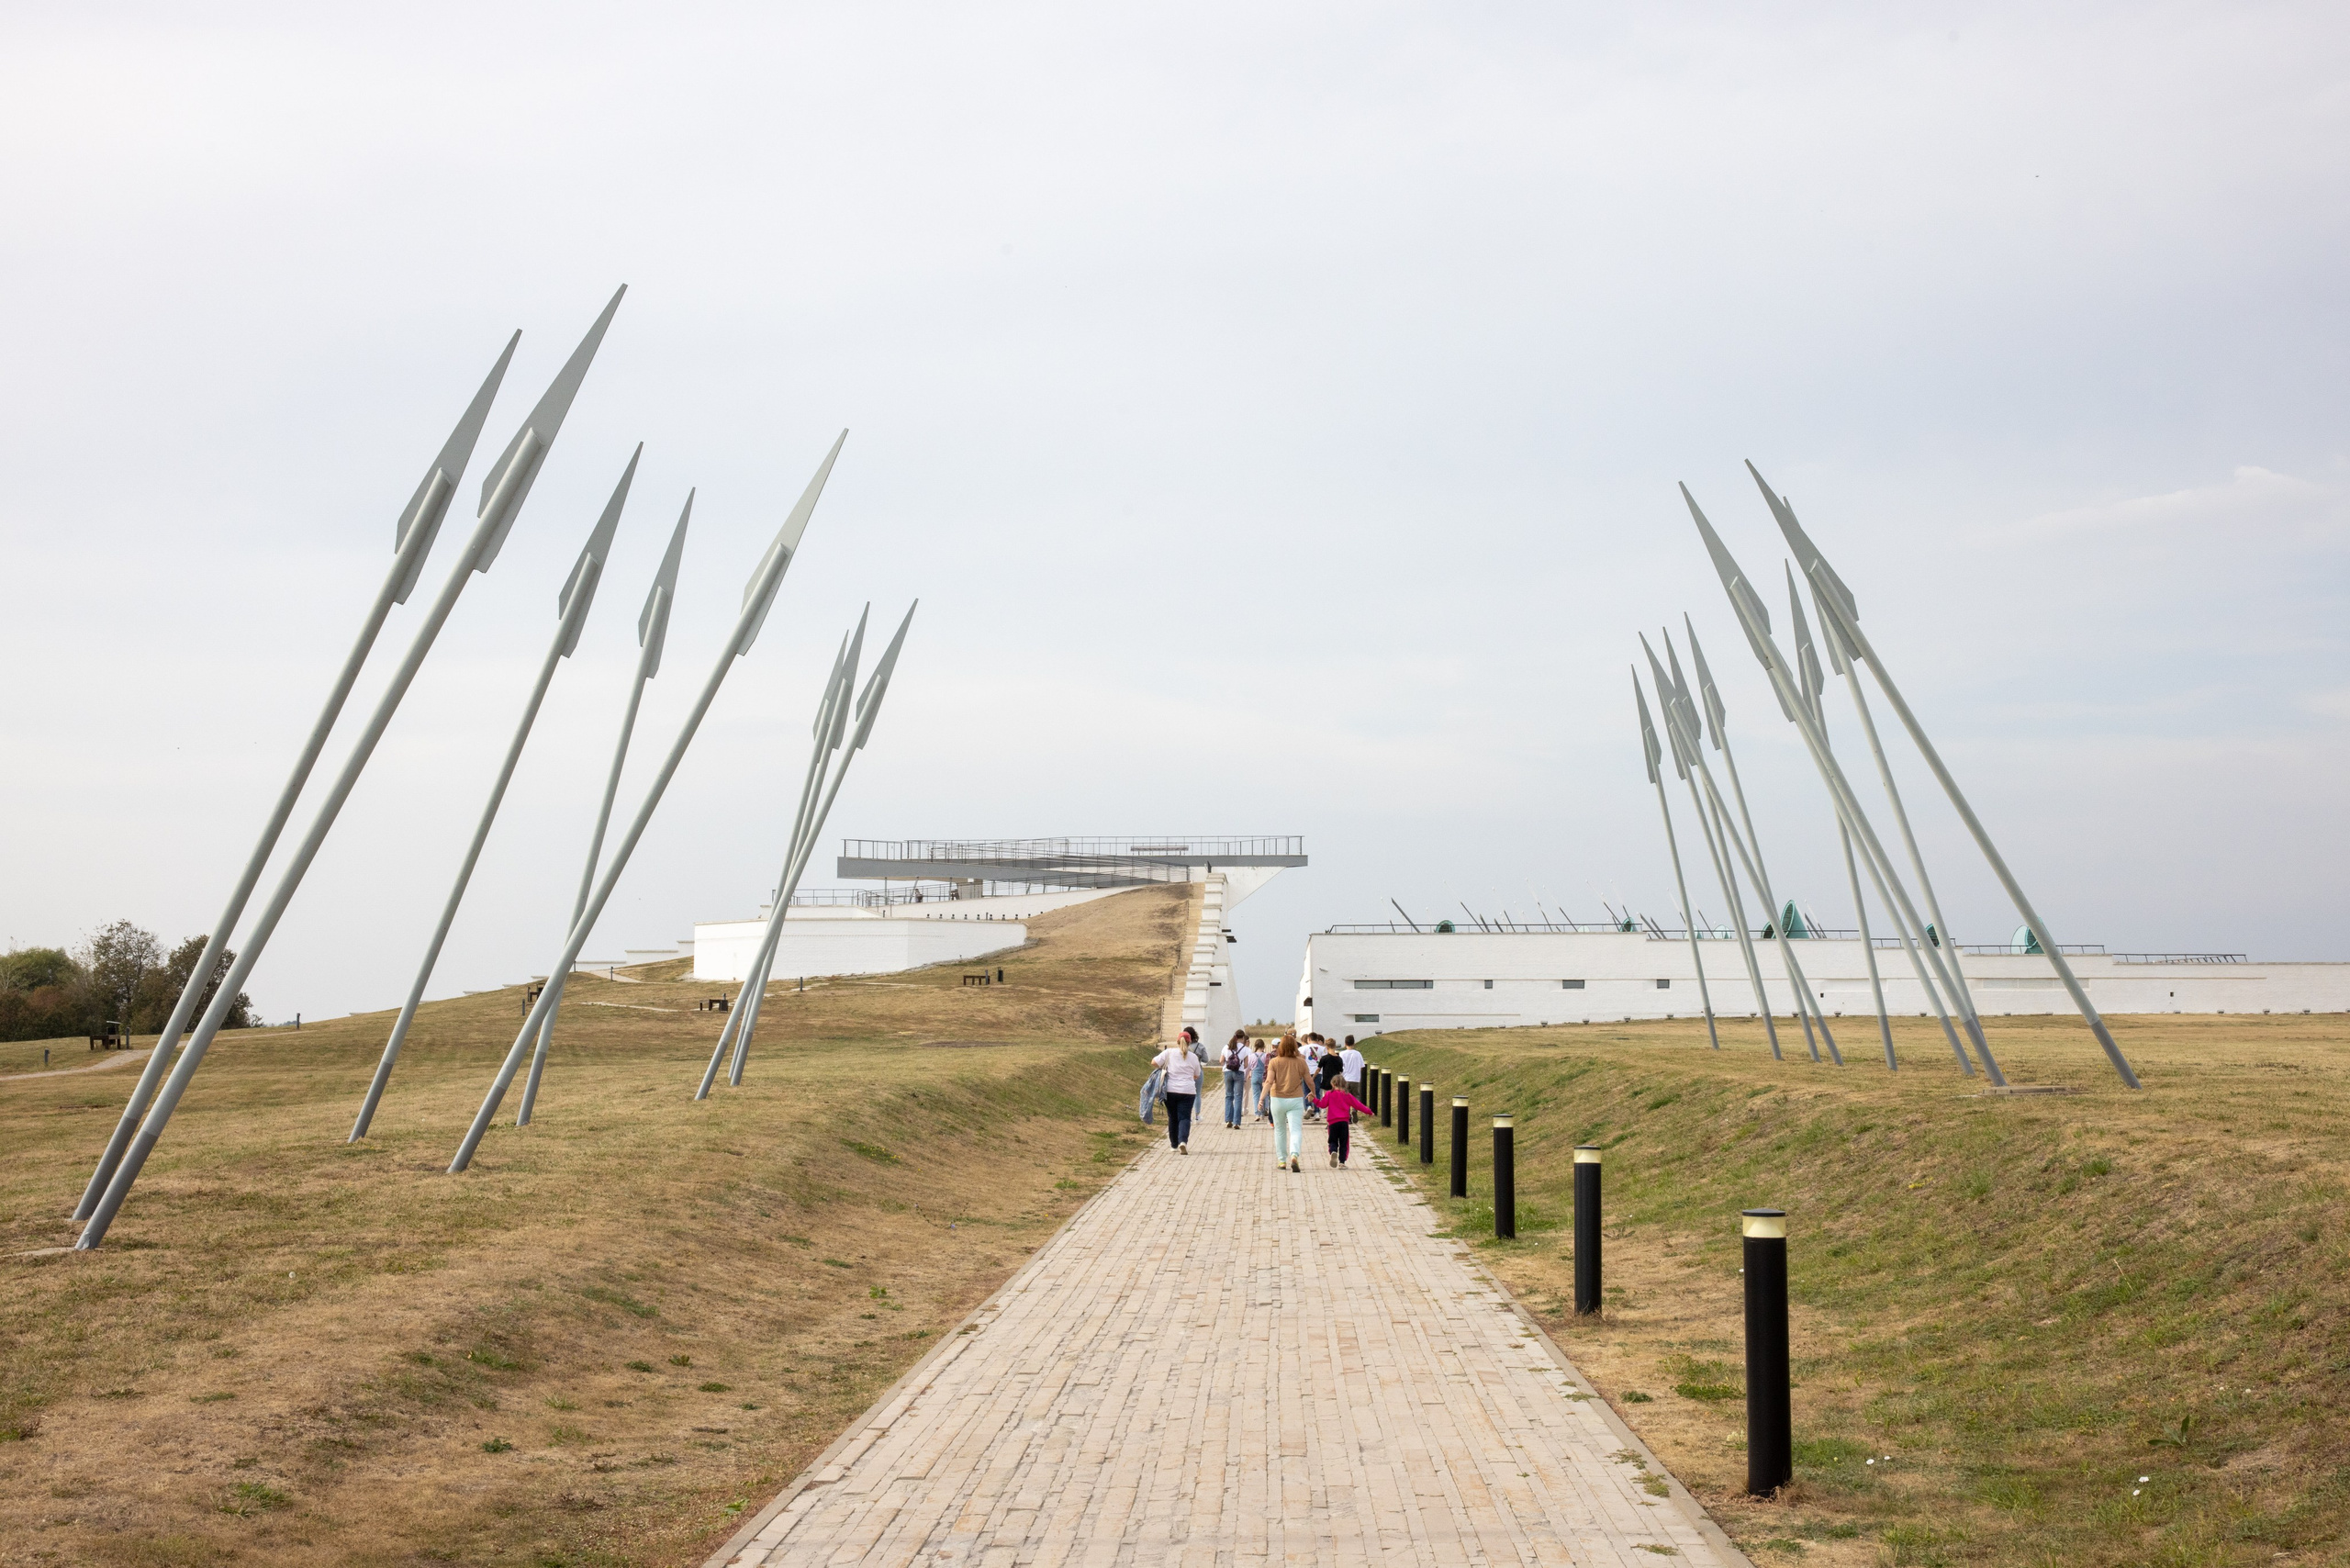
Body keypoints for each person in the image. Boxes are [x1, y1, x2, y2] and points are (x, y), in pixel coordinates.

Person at [1264, 1036, 1310, 1173]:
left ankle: (1282, 1160)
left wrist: (1261, 1098)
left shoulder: (1274, 1062)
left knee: (1280, 1130)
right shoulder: (1301, 1062)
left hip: (1277, 1098)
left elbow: (1269, 1081)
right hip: (1295, 1099)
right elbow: (1310, 1081)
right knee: (1295, 1129)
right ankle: (1294, 1154)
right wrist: (1313, 1092)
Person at [1152, 1034, 1204, 1153]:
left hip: (1170, 1090)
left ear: (1177, 1042)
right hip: (1188, 1091)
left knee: (1173, 1117)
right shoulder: (1193, 1057)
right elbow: (1197, 1074)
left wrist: (1163, 1068)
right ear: (1189, 1043)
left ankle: (1174, 1144)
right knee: (1185, 1117)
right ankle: (1183, 1141)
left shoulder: (1169, 1053)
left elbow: (1154, 1062)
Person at [1314, 1076, 1373, 1167]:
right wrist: (1369, 1112)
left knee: (1332, 1140)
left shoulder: (1329, 1094)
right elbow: (1358, 1105)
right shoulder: (1347, 1095)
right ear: (1345, 1084)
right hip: (1344, 1122)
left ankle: (1333, 1151)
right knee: (1344, 1142)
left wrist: (1314, 1100)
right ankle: (1342, 1162)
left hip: (1332, 1122)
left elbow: (1322, 1104)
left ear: (1333, 1084)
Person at [1221, 1029, 1249, 1128]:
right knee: (1238, 1097)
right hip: (1239, 1073)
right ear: (1243, 1038)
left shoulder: (1226, 1046)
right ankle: (1237, 1122)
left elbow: (1221, 1061)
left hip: (1227, 1072)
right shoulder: (1245, 1049)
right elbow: (1246, 1065)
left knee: (1229, 1096)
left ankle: (1228, 1119)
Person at [1251, 1038, 1271, 1121]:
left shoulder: (1251, 1056)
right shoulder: (1266, 1055)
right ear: (1263, 1046)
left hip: (1255, 1076)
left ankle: (1257, 1114)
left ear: (1255, 1046)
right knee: (1265, 1094)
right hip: (1264, 1077)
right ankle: (1264, 1112)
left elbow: (1248, 1067)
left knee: (1256, 1095)